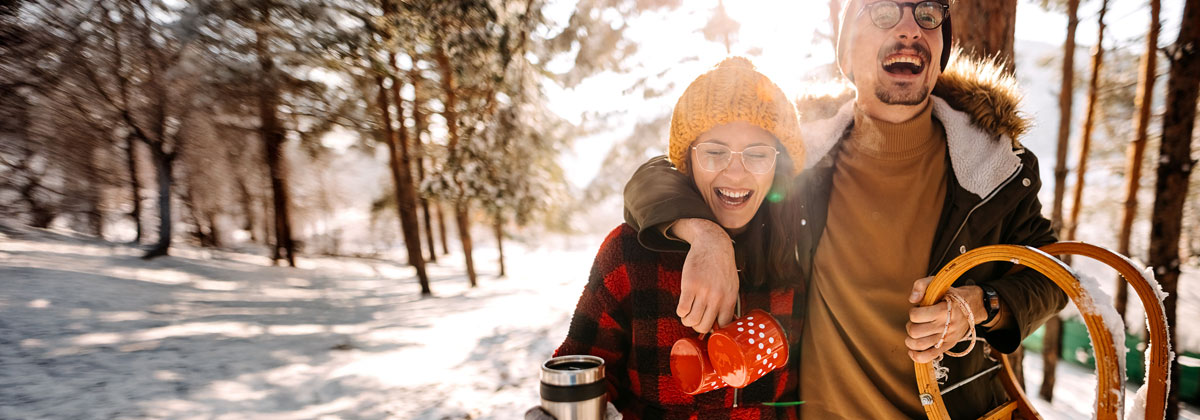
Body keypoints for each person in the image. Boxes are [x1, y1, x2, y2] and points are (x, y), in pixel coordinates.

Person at [621, 1, 1068, 418]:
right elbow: (665, 171)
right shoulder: (804, 157)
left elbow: (1054, 272)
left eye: (928, 13)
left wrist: (984, 304)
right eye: (884, 12)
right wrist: (704, 233)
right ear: (848, 50)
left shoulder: (994, 168)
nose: (911, 29)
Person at [544, 57, 807, 419]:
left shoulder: (802, 252)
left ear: (779, 165)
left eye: (757, 154)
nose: (735, 171)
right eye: (715, 152)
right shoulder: (630, 253)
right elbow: (583, 372)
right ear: (688, 160)